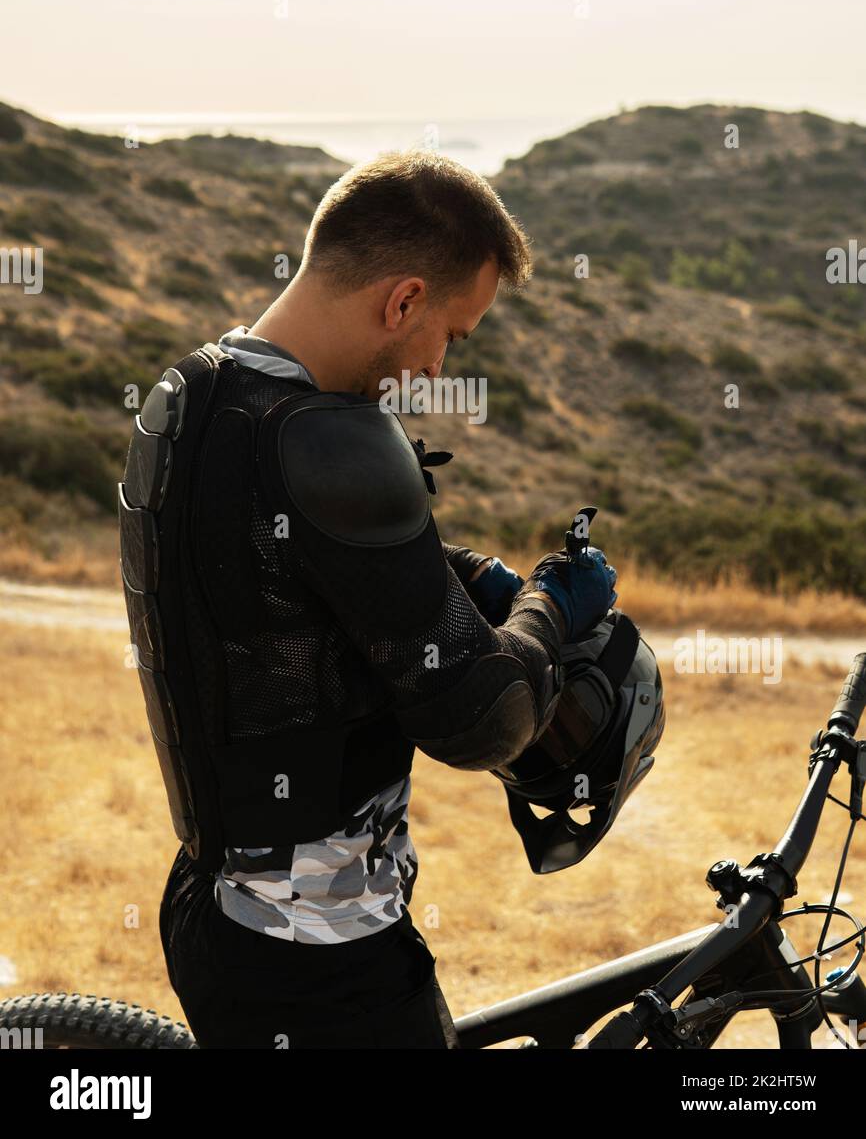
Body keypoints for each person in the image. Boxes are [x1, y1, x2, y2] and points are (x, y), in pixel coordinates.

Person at [127, 149, 617, 1049]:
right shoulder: (339, 440)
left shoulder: (188, 395)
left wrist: (454, 569)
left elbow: (281, 573)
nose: (436, 366)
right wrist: (553, 603)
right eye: (451, 335)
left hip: (211, 906)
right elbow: (486, 719)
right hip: (326, 961)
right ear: (402, 301)